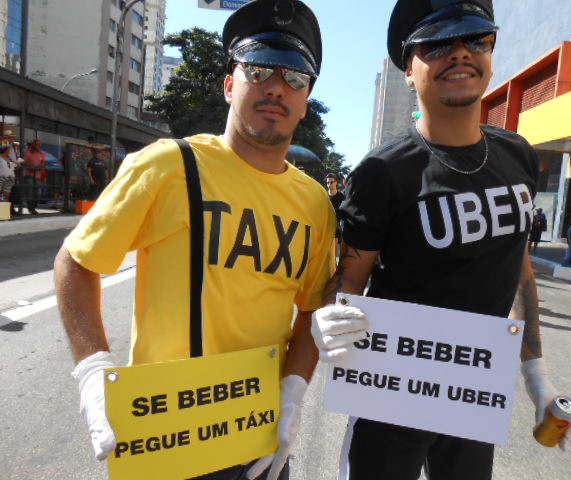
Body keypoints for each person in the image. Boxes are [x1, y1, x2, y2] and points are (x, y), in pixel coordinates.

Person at [54, 1, 334, 479]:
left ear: (305, 100)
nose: (276, 87)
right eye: (259, 68)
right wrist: (94, 372)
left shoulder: (314, 203)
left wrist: (292, 396)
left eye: (295, 78)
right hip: (166, 436)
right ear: (230, 84)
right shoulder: (166, 166)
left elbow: (311, 309)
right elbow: (76, 262)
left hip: (258, 437)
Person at [310, 1, 571, 479]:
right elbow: (349, 278)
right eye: (436, 44)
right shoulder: (382, 171)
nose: (459, 54)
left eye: (476, 39)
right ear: (409, 70)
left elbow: (520, 272)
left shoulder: (517, 156)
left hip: (474, 392)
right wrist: (332, 315)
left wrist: (537, 376)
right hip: (393, 395)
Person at [23, 139, 46, 214]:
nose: (39, 146)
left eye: (40, 144)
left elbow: (43, 163)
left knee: (38, 193)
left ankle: (33, 207)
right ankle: (31, 209)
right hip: (29, 175)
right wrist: (30, 165)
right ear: (33, 145)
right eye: (37, 144)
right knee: (29, 193)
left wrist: (40, 166)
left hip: (38, 176)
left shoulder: (42, 154)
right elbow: (24, 163)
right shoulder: (27, 153)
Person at [325, 172, 345, 253]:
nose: (329, 184)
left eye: (331, 182)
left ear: (336, 182)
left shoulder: (341, 197)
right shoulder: (324, 195)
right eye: (328, 182)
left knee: (333, 253)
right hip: (325, 227)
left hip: (337, 227)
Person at [0, 139, 16, 204]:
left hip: (10, 179)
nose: (10, 150)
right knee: (1, 197)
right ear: (5, 149)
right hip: (1, 178)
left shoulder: (10, 158)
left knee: (6, 197)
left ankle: (3, 212)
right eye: (9, 148)